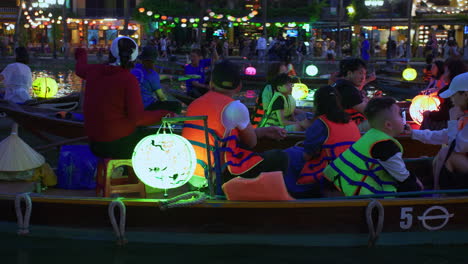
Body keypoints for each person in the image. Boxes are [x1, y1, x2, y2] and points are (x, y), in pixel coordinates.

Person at [182, 60, 288, 189]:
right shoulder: (235, 107)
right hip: (216, 176)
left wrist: (264, 131)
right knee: (279, 157)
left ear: (211, 84)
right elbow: (251, 143)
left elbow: (222, 136)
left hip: (189, 174)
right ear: (239, 86)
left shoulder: (194, 104)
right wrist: (261, 133)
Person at [75, 36, 174, 159]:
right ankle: (132, 174)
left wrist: (81, 53)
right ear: (134, 58)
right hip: (117, 144)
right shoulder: (128, 80)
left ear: (110, 53)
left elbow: (79, 68)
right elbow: (137, 118)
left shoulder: (93, 71)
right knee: (156, 139)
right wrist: (165, 115)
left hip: (93, 142)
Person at [323, 97, 423, 196]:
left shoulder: (372, 135)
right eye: (399, 115)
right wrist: (419, 186)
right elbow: (402, 176)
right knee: (414, 188)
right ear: (388, 125)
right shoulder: (386, 145)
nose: (402, 119)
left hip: (334, 182)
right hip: (348, 192)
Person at [283, 85, 361, 198]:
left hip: (328, 171)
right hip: (350, 169)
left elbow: (307, 156)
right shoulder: (351, 122)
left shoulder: (321, 123)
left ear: (317, 103)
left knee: (288, 155)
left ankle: (290, 195)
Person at [410, 72, 468, 190]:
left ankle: (437, 195)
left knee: (445, 152)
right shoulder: (464, 116)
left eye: (453, 95)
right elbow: (445, 135)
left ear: (465, 95)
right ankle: (436, 191)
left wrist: (452, 120)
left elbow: (457, 147)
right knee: (442, 154)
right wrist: (413, 133)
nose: (451, 99)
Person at [131, 46, 181, 114]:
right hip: (146, 107)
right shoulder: (152, 74)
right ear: (154, 60)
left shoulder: (134, 68)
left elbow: (148, 78)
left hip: (133, 105)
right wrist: (166, 103)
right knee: (177, 105)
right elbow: (161, 97)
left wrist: (166, 76)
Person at [421, 58, 467, 130]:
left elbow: (444, 114)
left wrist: (430, 114)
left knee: (427, 120)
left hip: (448, 123)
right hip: (453, 123)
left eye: (445, 71)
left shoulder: (452, 92)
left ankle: (420, 140)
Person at [332, 58, 369, 127]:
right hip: (345, 127)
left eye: (365, 73)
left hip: (338, 124)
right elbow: (369, 111)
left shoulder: (340, 84)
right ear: (349, 73)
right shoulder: (347, 89)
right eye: (360, 73)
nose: (363, 77)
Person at [251, 62, 288, 127]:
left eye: (286, 74)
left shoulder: (282, 89)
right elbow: (267, 111)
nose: (286, 77)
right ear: (275, 74)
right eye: (283, 74)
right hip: (264, 125)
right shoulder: (269, 89)